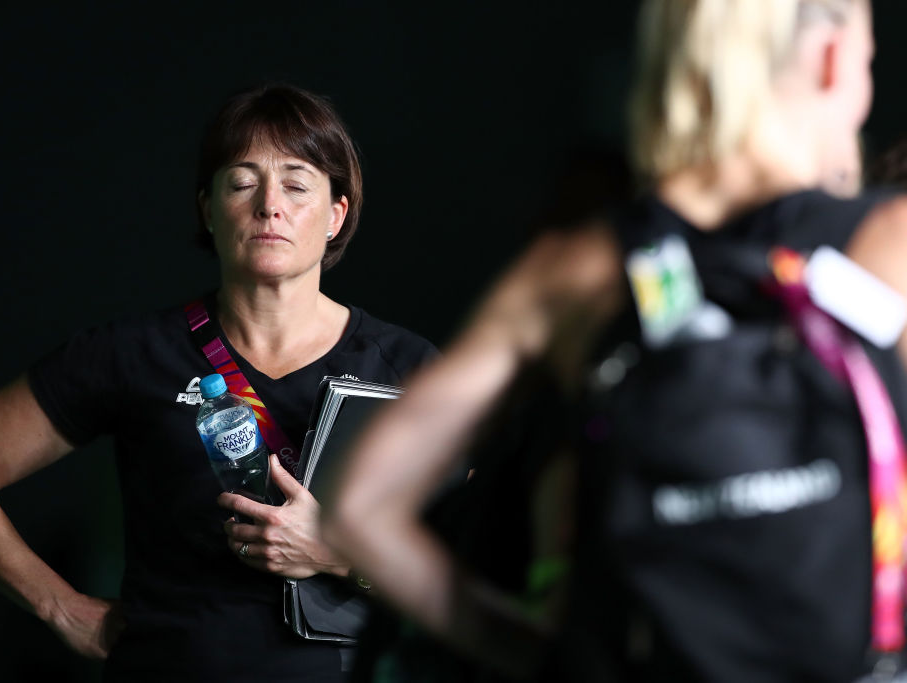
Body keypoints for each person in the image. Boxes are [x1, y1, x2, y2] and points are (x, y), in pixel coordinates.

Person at [323, 1, 907, 680]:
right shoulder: (888, 247)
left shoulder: (578, 267)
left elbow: (358, 506)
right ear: (834, 59)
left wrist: (538, 655)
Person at [0, 84, 436, 682]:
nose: (270, 206)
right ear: (207, 208)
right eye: (241, 182)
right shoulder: (134, 352)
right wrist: (59, 605)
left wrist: (339, 554)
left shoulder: (407, 368)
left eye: (296, 183)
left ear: (337, 212)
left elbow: (471, 560)